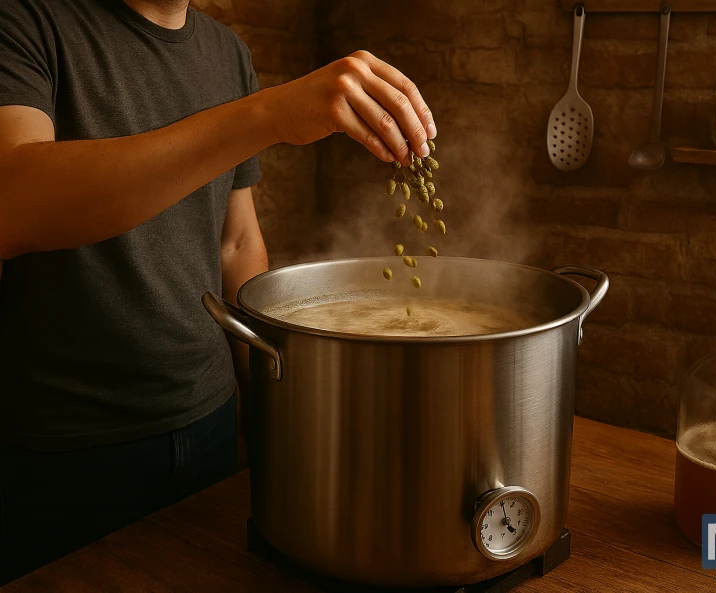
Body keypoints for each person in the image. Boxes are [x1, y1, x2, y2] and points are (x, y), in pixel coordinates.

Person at [0, 0, 436, 583]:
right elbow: (14, 202)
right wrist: (268, 114)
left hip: (211, 423)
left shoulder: (226, 52)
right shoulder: (27, 19)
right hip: (66, 450)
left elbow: (236, 244)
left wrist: (283, 418)